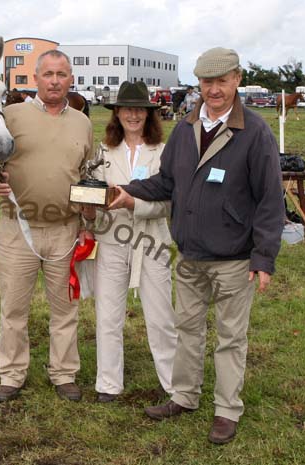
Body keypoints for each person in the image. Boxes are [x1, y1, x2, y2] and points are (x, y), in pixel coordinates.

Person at [113, 47, 284, 444]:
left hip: (235, 259)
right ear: (199, 84)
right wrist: (128, 192)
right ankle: (185, 396)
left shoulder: (254, 132)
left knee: (230, 337)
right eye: (207, 82)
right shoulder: (186, 128)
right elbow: (165, 183)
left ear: (237, 79)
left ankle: (227, 410)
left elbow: (271, 201)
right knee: (187, 329)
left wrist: (264, 257)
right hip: (190, 256)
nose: (214, 89)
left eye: (222, 80)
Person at [0, 50, 94, 402]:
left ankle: (64, 374)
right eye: (48, 74)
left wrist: (89, 219)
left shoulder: (83, 123)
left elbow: (87, 174)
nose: (55, 81)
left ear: (70, 78)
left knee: (65, 309)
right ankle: (11, 374)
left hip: (65, 230)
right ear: (36, 78)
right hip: (18, 230)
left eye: (61, 74)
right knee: (13, 308)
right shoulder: (11, 116)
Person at [83, 81, 177, 403]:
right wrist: (87, 210)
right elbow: (91, 195)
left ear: (149, 114)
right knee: (107, 316)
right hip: (111, 241)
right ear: (117, 113)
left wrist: (133, 204)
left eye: (140, 110)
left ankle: (174, 386)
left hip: (152, 243)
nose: (133, 115)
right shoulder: (103, 152)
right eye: (127, 109)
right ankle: (108, 383)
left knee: (160, 317)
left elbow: (169, 203)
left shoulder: (164, 152)